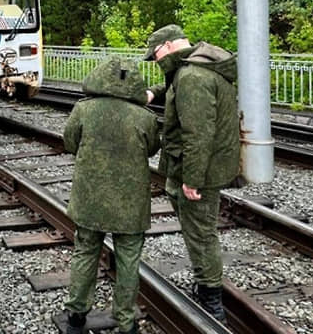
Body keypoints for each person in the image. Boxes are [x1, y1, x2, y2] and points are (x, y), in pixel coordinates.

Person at [143, 24, 239, 323]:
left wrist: (192, 180)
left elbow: (198, 134)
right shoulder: (192, 68)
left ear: (169, 47)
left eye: (156, 55)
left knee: (201, 233)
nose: (156, 62)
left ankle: (212, 301)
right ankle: (205, 281)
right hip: (195, 164)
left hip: (201, 169)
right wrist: (152, 92)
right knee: (196, 225)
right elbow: (175, 88)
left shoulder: (192, 78)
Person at [62, 56, 160, 334]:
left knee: (85, 252)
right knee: (129, 259)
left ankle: (76, 317)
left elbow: (70, 143)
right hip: (131, 202)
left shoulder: (83, 110)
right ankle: (126, 322)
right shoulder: (145, 117)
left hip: (89, 198)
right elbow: (152, 149)